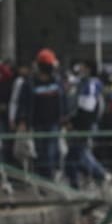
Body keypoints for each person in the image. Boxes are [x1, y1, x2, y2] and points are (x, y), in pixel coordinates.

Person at [15, 49, 66, 179]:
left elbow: (63, 101)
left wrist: (65, 118)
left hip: (53, 123)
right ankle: (43, 179)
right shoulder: (30, 83)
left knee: (50, 152)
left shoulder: (57, 81)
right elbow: (23, 103)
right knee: (39, 152)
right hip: (37, 123)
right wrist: (22, 121)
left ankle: (48, 178)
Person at [64, 61, 109, 188]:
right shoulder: (85, 83)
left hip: (83, 126)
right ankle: (77, 182)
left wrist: (74, 123)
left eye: (82, 67)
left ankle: (100, 174)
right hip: (83, 125)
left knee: (77, 154)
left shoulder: (90, 85)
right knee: (78, 154)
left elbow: (86, 108)